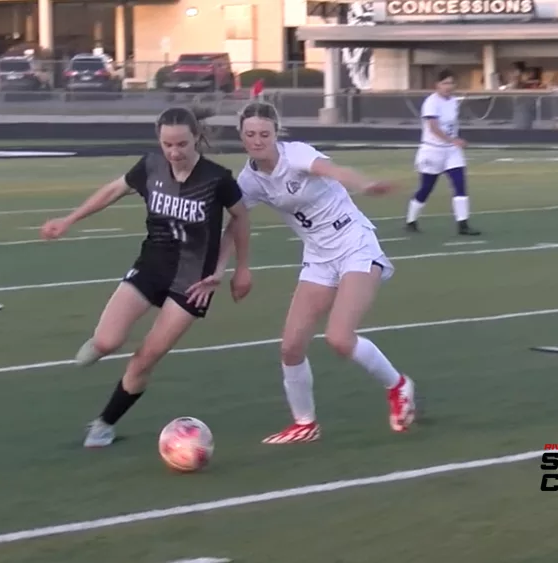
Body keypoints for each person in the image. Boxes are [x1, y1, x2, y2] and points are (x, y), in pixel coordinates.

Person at [40, 106, 253, 448]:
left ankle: (105, 423)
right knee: (107, 341)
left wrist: (232, 268)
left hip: (193, 282)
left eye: (182, 143)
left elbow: (240, 219)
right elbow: (112, 191)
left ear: (196, 138)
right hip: (151, 266)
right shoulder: (150, 167)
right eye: (167, 144)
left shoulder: (217, 179)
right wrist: (69, 220)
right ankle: (101, 345)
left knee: (146, 357)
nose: (175, 152)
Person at [225, 101, 416, 444]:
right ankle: (305, 423)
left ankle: (398, 386)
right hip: (318, 256)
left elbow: (334, 170)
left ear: (275, 134)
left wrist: (365, 184)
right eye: (250, 134)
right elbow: (234, 222)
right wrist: (224, 268)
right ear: (241, 135)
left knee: (339, 337)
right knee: (290, 347)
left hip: (355, 243)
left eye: (264, 134)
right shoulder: (249, 180)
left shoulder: (296, 154)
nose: (257, 140)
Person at [405, 69, 481, 236]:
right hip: (432, 150)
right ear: (437, 85)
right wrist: (453, 140)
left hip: (451, 152)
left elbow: (451, 124)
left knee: (460, 184)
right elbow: (433, 127)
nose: (448, 86)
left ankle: (463, 224)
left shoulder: (453, 101)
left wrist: (454, 141)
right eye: (445, 83)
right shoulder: (431, 102)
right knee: (426, 187)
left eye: (451, 83)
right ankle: (411, 220)